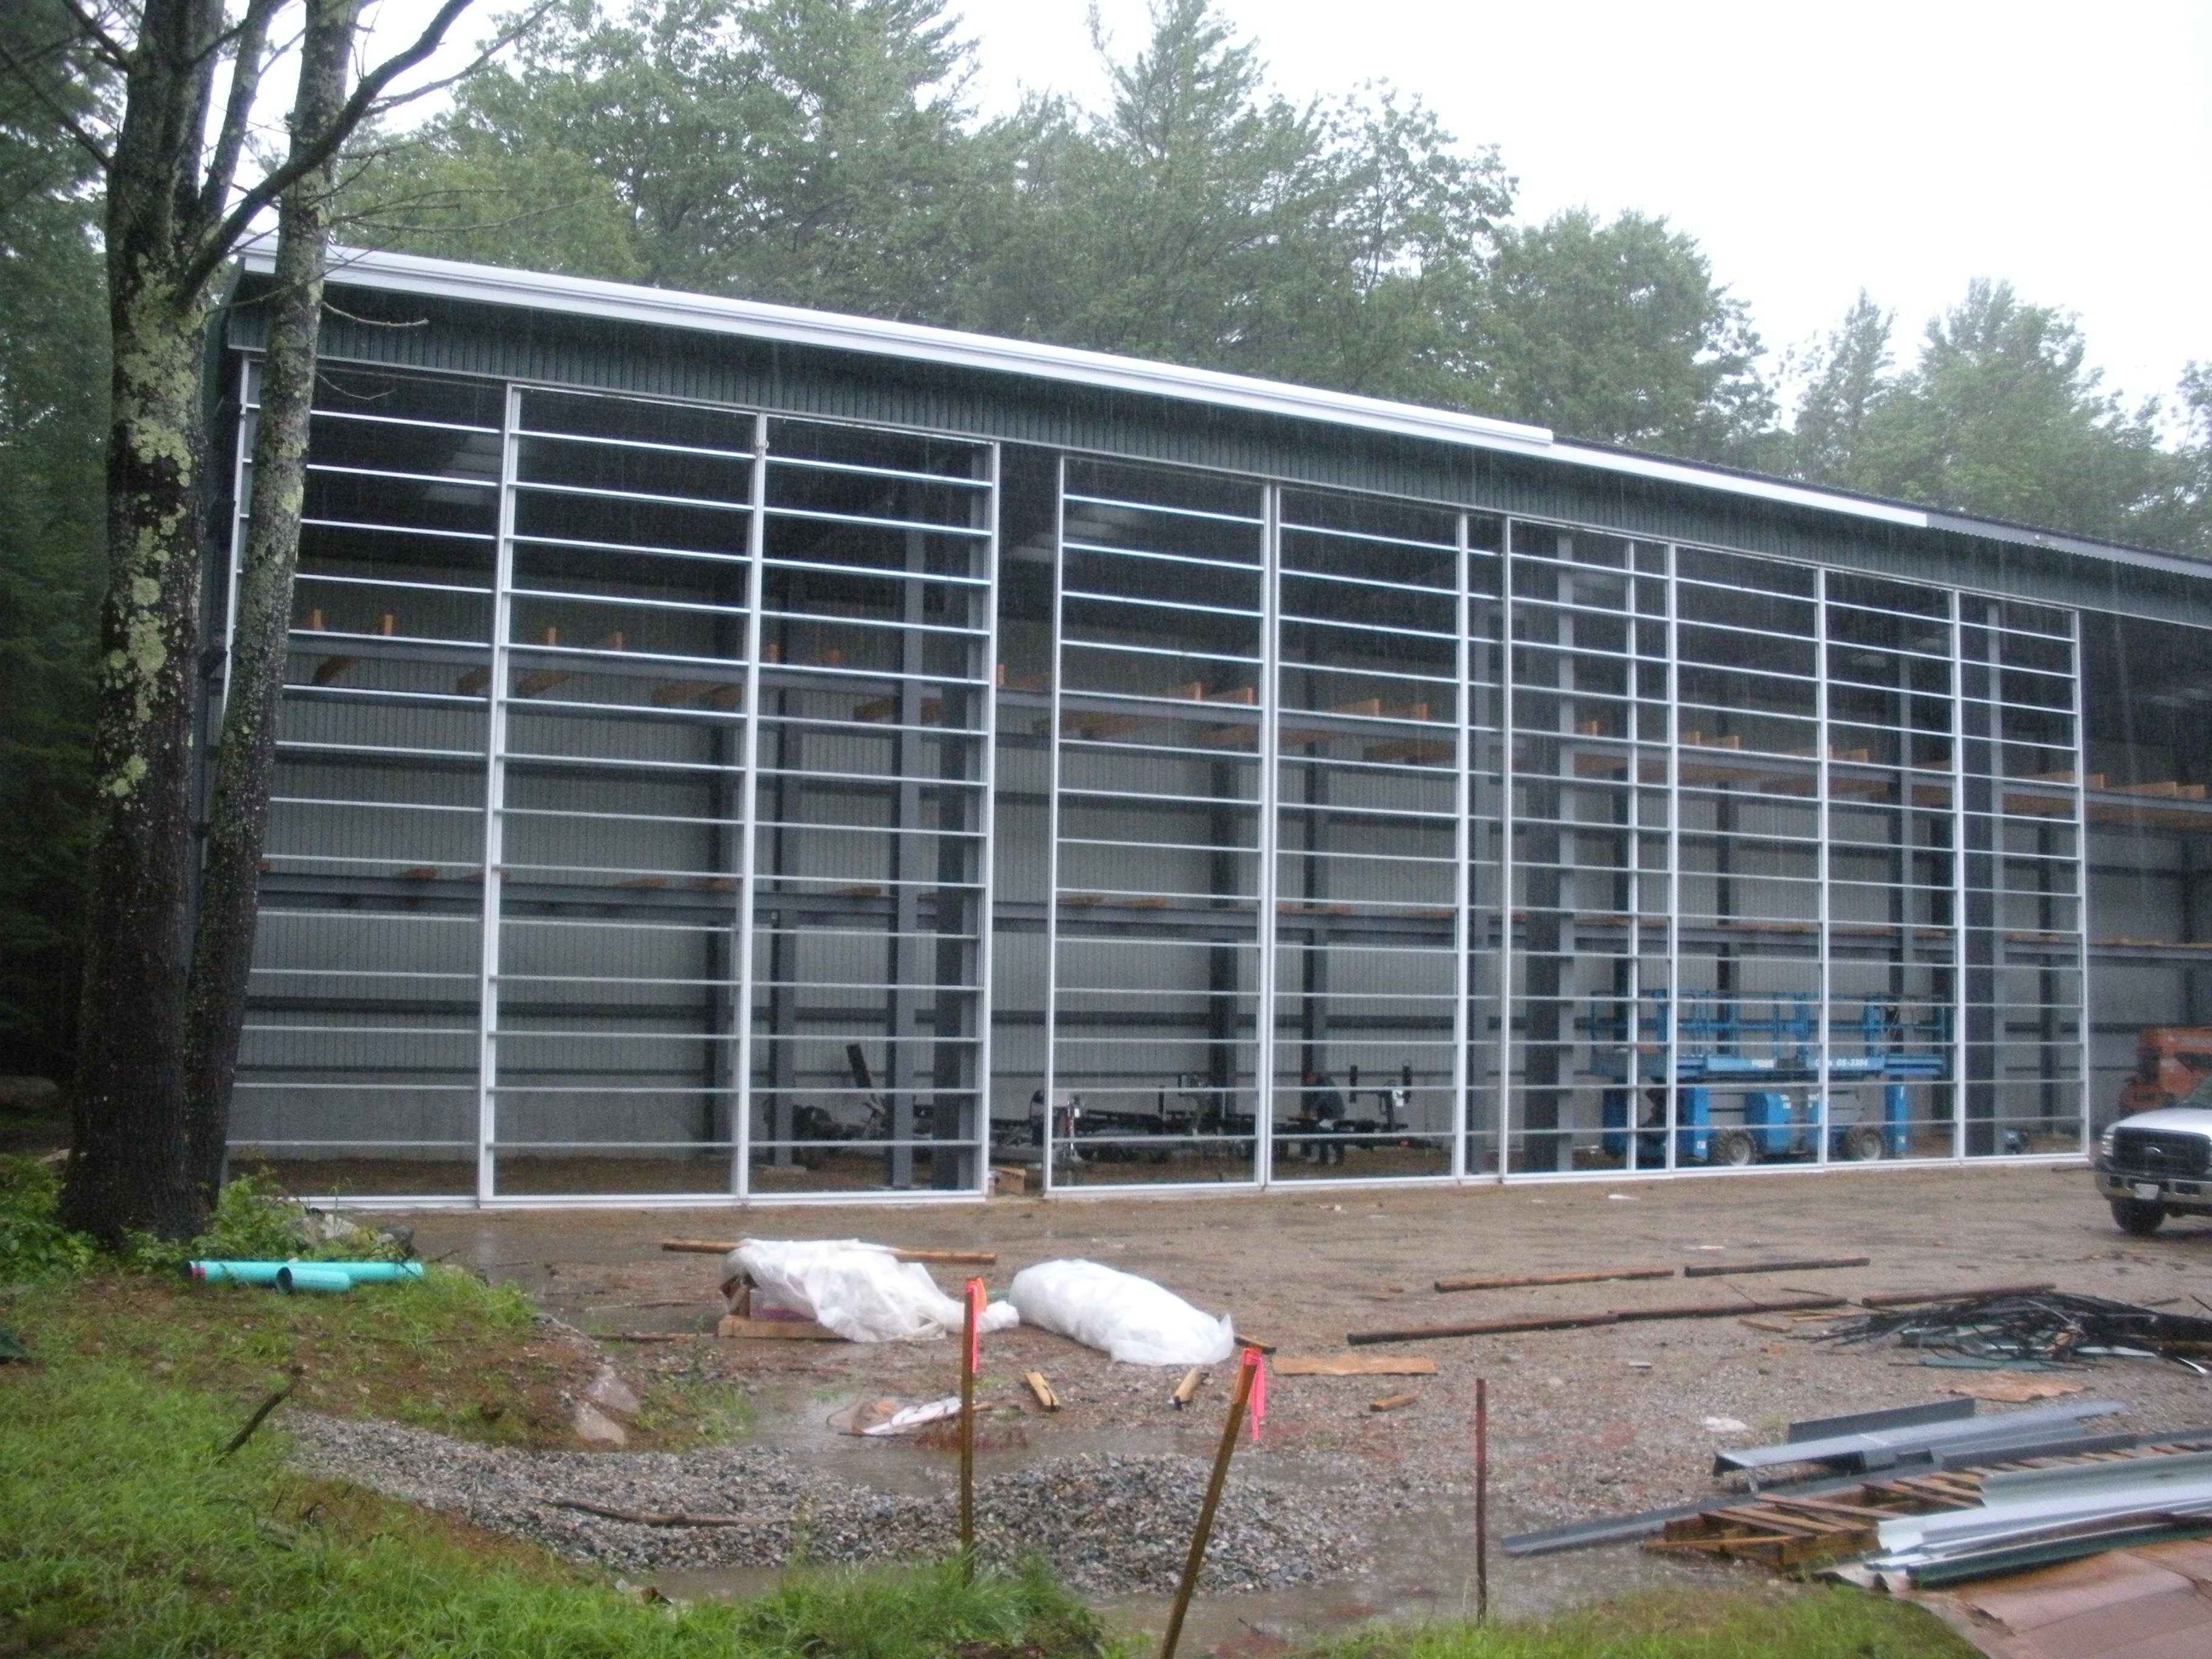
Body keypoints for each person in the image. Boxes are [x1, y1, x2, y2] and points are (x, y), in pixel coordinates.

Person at [1305, 1071, 1348, 1164]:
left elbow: (1323, 1097)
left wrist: (1312, 1109)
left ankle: (1339, 1159)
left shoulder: (1325, 1083)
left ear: (1313, 1076)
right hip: (1326, 1114)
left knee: (1336, 1136)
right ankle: (1323, 1159)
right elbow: (1314, 1098)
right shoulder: (1317, 1085)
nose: (1309, 1083)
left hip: (1335, 1112)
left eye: (1309, 1080)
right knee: (1323, 1136)